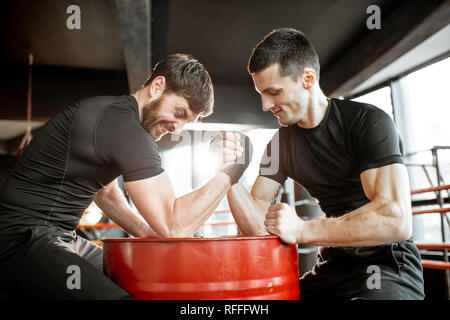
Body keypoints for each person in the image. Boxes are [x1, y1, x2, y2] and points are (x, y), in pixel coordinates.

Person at [0, 54, 251, 299]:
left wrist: (144, 233)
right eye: (179, 112)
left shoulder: (114, 117)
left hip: (59, 236)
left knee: (141, 280)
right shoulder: (125, 128)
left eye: (187, 122)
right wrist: (229, 173)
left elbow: (106, 193)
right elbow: (174, 227)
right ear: (157, 86)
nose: (178, 128)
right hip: (19, 238)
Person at [226, 28, 425, 300]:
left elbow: (395, 219)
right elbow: (256, 225)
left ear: (307, 78)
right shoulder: (280, 144)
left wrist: (304, 229)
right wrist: (228, 177)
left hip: (384, 264)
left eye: (273, 92)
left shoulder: (367, 122)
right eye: (261, 93)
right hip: (331, 267)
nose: (265, 105)